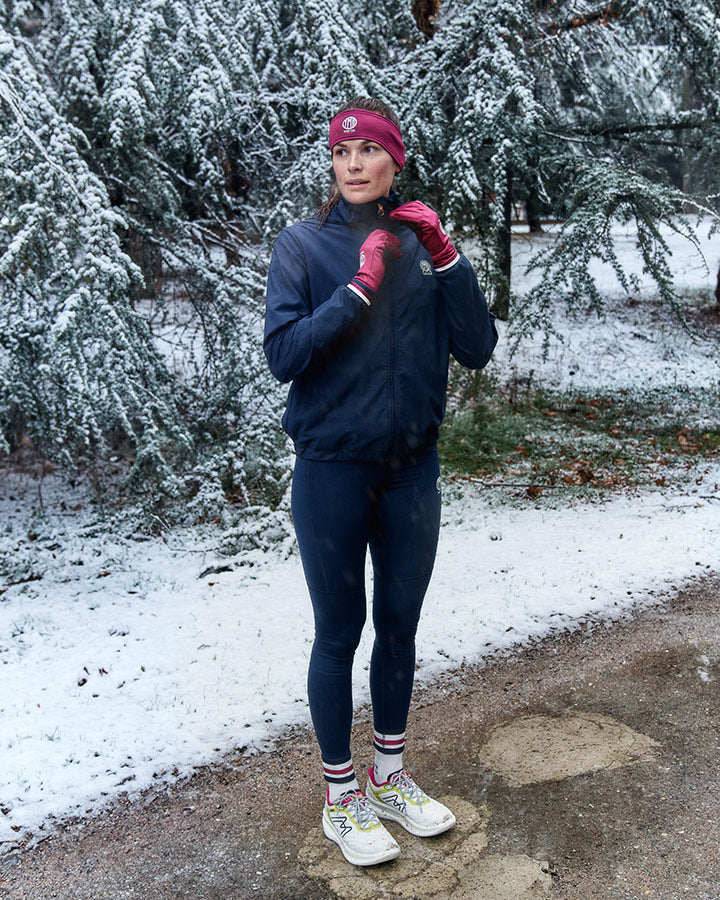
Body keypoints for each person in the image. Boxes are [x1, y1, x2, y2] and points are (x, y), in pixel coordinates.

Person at [264, 97, 498, 867]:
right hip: (332, 470)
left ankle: (390, 777)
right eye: (341, 153)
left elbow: (477, 347)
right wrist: (357, 288)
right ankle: (342, 797)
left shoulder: (422, 244)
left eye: (368, 152)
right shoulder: (302, 246)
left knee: (400, 626)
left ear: (397, 162)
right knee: (341, 632)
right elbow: (286, 355)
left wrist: (447, 255)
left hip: (411, 473)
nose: (353, 164)